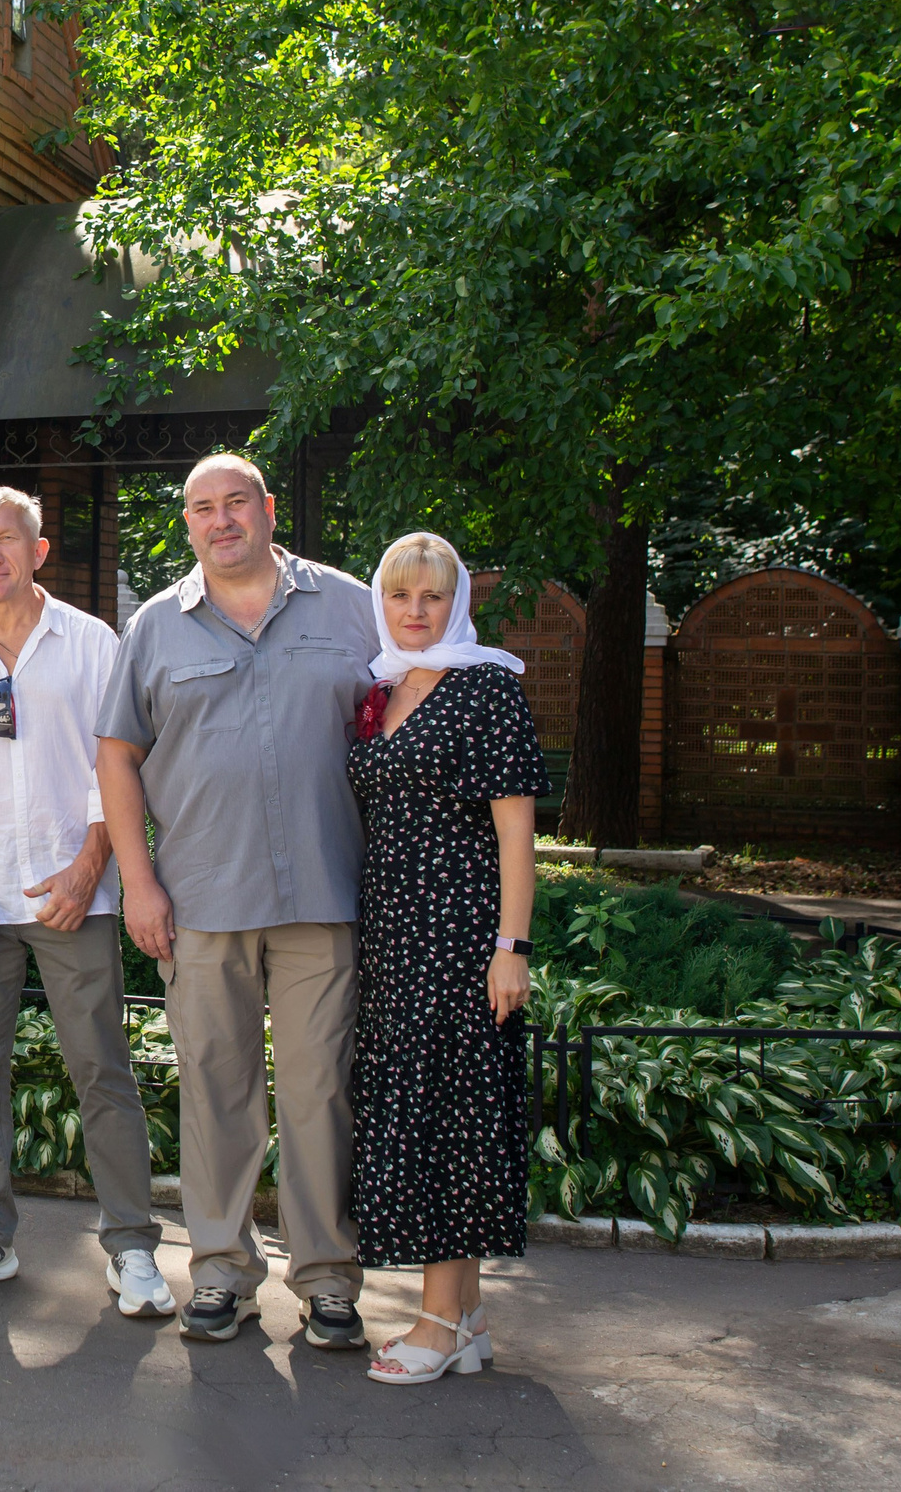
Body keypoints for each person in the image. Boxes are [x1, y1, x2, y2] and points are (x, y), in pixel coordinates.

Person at [95, 453, 379, 1348]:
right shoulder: (154, 628)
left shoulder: (351, 607)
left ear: (265, 511)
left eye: (236, 503)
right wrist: (137, 881)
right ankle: (220, 1270)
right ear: (188, 523)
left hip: (324, 892)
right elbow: (116, 755)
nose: (221, 521)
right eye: (201, 508)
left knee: (318, 1090)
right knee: (216, 1090)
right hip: (202, 899)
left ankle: (329, 1278)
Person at [0, 485, 173, 1318]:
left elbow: (118, 767)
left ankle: (130, 1246)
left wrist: (90, 869)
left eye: (7, 538)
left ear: (38, 549)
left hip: (72, 893)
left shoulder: (92, 644)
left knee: (102, 1069)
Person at [348, 533, 544, 1385]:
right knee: (426, 1114)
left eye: (431, 596)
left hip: (461, 938)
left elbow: (518, 835)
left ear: (456, 601)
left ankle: (433, 1321)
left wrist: (511, 947)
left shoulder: (488, 687)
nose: (415, 611)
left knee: (452, 1122)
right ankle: (464, 1318)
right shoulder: (384, 688)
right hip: (394, 938)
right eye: (400, 596)